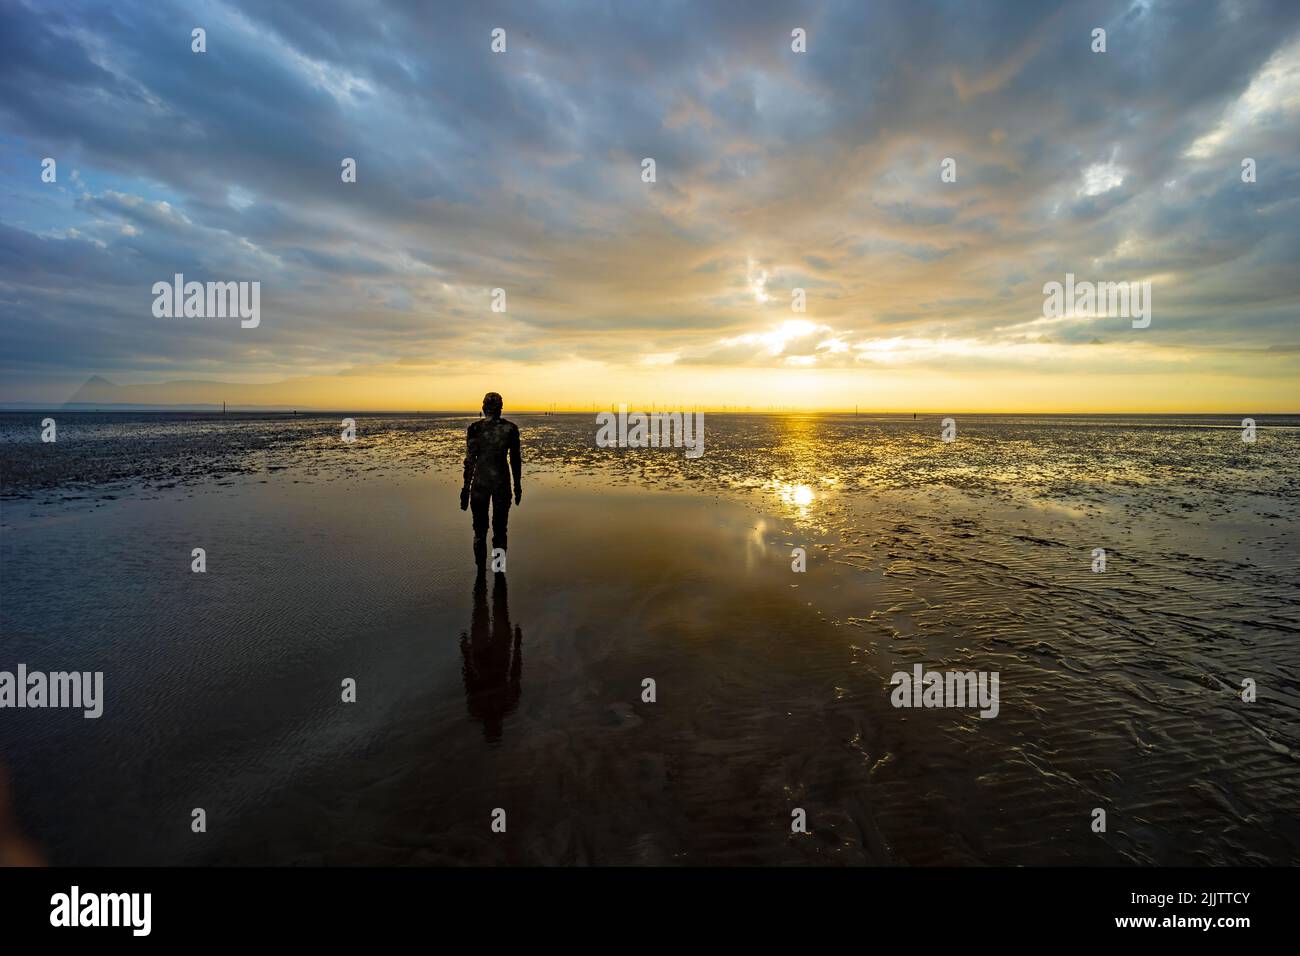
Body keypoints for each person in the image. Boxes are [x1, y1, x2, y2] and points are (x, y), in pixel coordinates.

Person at [460, 392, 522, 567]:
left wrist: (465, 489)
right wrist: (518, 486)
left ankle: (480, 573)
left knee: (480, 532)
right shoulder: (510, 429)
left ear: (483, 408)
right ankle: (499, 570)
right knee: (500, 531)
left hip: (480, 485)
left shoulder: (475, 429)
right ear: (501, 409)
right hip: (502, 484)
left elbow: (470, 461)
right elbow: (515, 461)